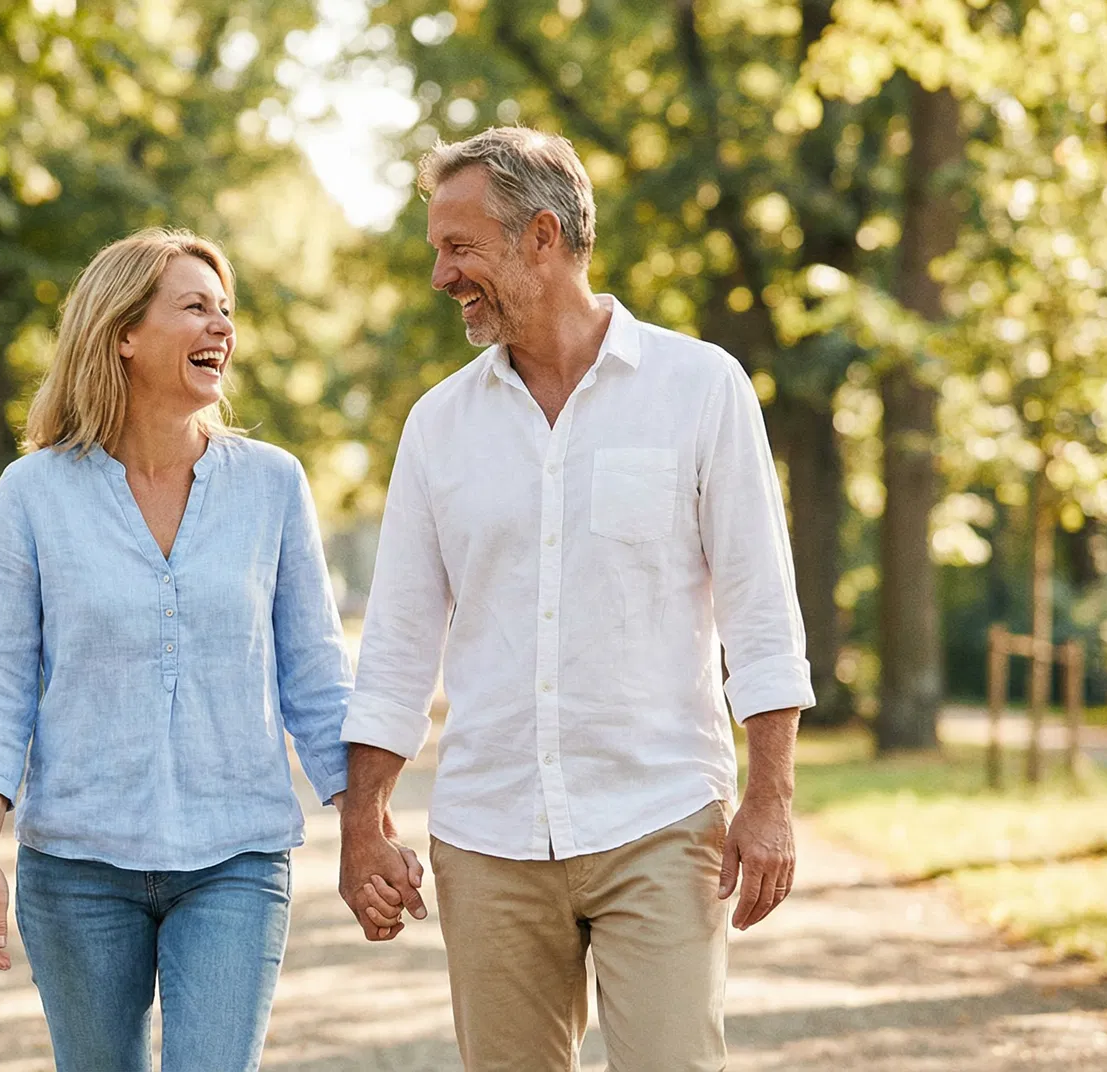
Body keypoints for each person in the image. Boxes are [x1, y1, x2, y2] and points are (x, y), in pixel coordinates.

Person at [337, 127, 815, 1071]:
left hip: (660, 817)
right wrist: (362, 825)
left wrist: (772, 797)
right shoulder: (438, 428)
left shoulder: (700, 389)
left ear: (542, 236)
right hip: (489, 834)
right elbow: (396, 646)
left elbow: (761, 611)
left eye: (459, 247)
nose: (442, 275)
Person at [0, 228, 376, 1072]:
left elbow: (317, 676)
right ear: (122, 334)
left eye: (226, 311)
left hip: (235, 856)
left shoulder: (273, 484)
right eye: (194, 307)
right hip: (76, 865)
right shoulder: (33, 492)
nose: (221, 327)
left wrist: (365, 824)